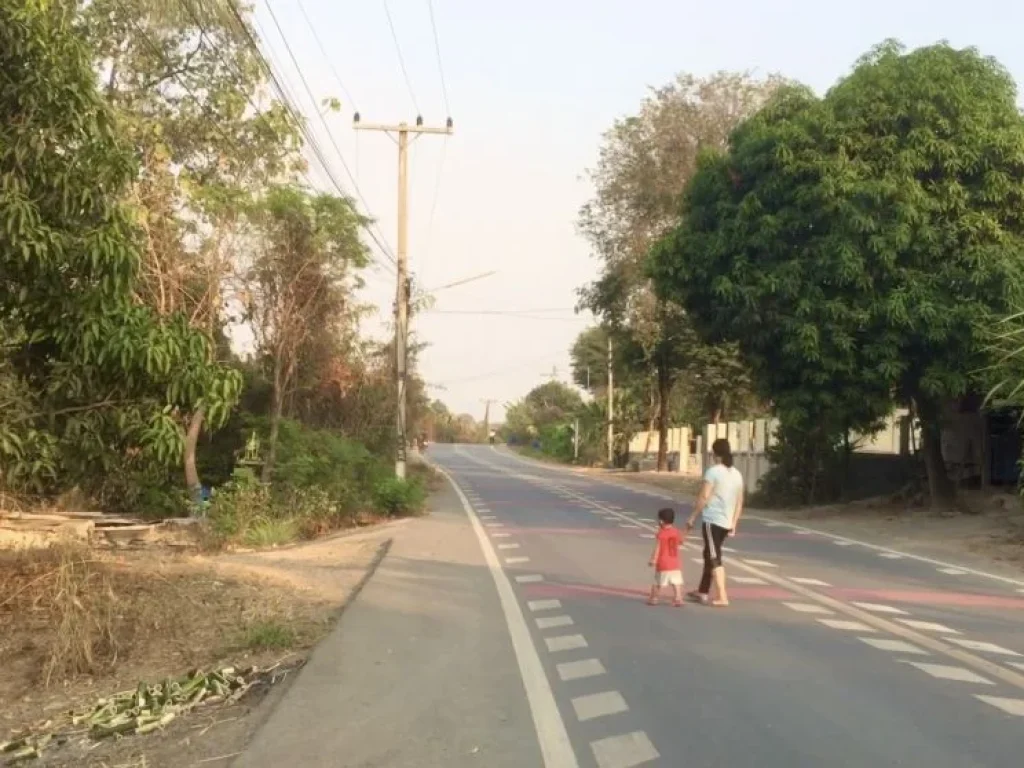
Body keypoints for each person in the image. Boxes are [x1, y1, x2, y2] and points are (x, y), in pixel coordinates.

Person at [685, 438, 744, 607]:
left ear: (714, 453)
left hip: (713, 520)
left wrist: (693, 516)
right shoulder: (736, 474)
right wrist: (734, 523)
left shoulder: (713, 472)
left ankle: (723, 596)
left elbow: (703, 496)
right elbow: (739, 502)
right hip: (726, 522)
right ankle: (702, 591)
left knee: (714, 556)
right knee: (709, 554)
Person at [647, 507, 685, 607]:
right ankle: (678, 598)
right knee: (676, 582)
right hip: (675, 563)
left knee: (657, 582)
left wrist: (653, 559)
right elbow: (681, 541)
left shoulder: (661, 533)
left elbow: (658, 548)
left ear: (661, 521)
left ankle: (654, 598)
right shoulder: (676, 532)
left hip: (663, 563)